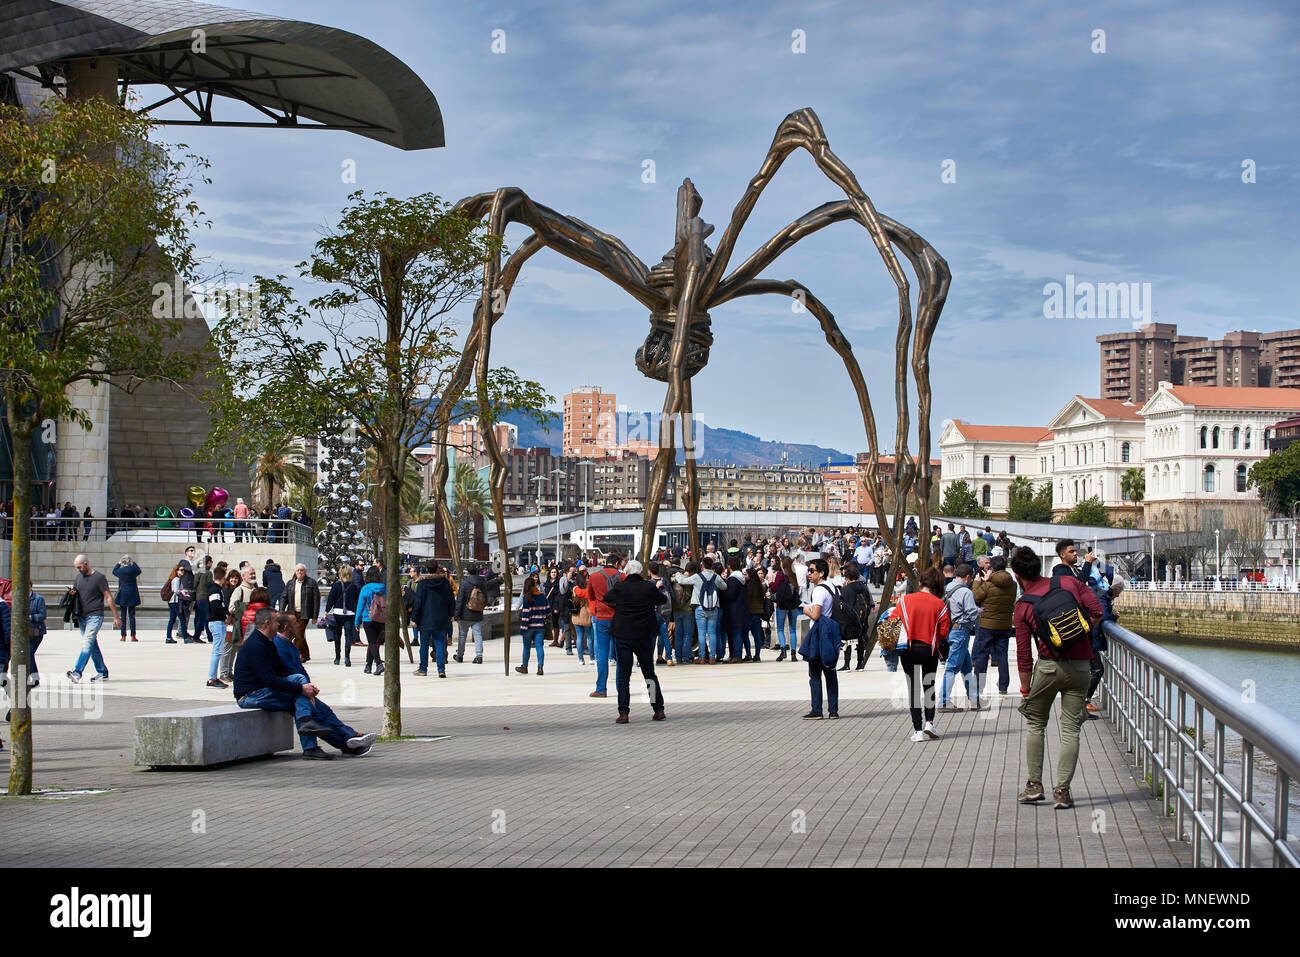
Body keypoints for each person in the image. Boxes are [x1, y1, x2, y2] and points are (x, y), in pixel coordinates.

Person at [1011, 545, 1103, 810]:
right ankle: (1062, 791)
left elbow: (1023, 653)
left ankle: (1034, 786)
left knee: (1036, 723)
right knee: (1071, 729)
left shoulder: (1023, 605)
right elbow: (1096, 611)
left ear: (1017, 575)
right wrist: (1081, 635)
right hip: (1081, 667)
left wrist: (1026, 688)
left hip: (1049, 667)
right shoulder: (1068, 581)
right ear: (1039, 567)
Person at [232, 606, 373, 760]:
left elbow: (283, 671)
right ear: (267, 623)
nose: (278, 625)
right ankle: (333, 740)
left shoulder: (268, 642)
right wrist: (301, 687)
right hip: (249, 695)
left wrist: (307, 689)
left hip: (263, 691)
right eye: (275, 621)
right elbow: (271, 680)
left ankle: (330, 744)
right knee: (302, 691)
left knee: (312, 706)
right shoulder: (256, 646)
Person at [887, 566, 950, 742]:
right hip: (929, 649)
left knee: (913, 689)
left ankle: (917, 730)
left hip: (908, 649)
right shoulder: (939, 604)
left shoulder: (905, 600)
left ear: (921, 582)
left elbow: (893, 622)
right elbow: (944, 631)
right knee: (928, 686)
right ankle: (930, 722)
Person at [602, 559, 668, 723]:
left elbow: (606, 597)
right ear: (640, 572)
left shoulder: (620, 587)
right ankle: (658, 709)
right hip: (644, 635)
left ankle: (623, 712)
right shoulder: (648, 587)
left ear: (626, 572)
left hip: (623, 634)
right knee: (649, 673)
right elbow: (662, 600)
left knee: (624, 675)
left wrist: (619, 605)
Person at [797, 558, 842, 720]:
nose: (809, 573)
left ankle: (816, 710)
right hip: (831, 633)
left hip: (819, 634)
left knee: (815, 673)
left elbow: (816, 614)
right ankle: (833, 710)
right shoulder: (833, 588)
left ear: (821, 573)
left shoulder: (819, 590)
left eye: (812, 571)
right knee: (830, 672)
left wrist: (805, 609)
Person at [65, 555, 120, 683]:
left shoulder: (99, 578)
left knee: (87, 642)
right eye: (76, 568)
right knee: (91, 644)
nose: (78, 570)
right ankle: (102, 671)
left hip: (95, 615)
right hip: (82, 616)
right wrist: (72, 593)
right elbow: (77, 594)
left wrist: (116, 616)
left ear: (86, 564)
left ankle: (77, 672)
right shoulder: (78, 578)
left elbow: (108, 597)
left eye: (79, 567)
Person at [972, 554, 1015, 698]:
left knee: (983, 655)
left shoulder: (988, 585)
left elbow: (976, 597)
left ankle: (978, 686)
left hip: (987, 624)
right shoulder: (1012, 584)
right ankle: (1003, 686)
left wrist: (978, 582)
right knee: (1002, 655)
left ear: (992, 568)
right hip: (1005, 624)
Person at [940, 563, 981, 712]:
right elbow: (971, 613)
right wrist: (979, 612)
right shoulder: (966, 592)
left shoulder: (947, 588)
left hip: (952, 629)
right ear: (968, 577)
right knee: (952, 667)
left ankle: (974, 699)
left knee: (966, 666)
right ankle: (944, 701)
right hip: (961, 630)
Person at [673, 556, 727, 664]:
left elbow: (682, 581)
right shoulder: (715, 577)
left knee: (701, 633)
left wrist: (678, 574)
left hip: (700, 607)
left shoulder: (697, 577)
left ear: (702, 566)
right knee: (712, 633)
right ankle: (712, 657)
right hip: (713, 608)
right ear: (712, 566)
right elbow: (725, 587)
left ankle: (702, 657)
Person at [584, 555, 624, 697]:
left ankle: (601, 688)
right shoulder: (622, 576)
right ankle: (621, 689)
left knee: (601, 653)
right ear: (617, 563)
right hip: (619, 617)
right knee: (620, 654)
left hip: (601, 616)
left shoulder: (594, 576)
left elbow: (591, 596)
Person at [411, 562, 454, 677]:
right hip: (441, 618)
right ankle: (441, 669)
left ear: (427, 569)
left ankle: (423, 668)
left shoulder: (422, 583)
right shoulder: (445, 582)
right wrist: (450, 615)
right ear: (437, 569)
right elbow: (451, 600)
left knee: (424, 644)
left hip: (425, 619)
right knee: (440, 643)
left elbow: (418, 603)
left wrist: (414, 617)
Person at [219, 564, 259, 682]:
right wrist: (247, 608)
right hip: (237, 626)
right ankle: (225, 672)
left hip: (250, 627)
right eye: (250, 574)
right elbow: (232, 608)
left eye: (254, 573)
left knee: (243, 652)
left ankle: (237, 672)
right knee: (230, 650)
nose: (253, 575)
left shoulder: (255, 590)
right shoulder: (239, 590)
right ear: (244, 576)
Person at [279, 563, 320, 662]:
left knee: (298, 633)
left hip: (304, 613)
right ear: (295, 572)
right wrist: (281, 611)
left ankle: (295, 655)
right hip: (292, 613)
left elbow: (316, 600)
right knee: (299, 634)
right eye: (298, 570)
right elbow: (284, 597)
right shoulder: (290, 583)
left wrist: (315, 616)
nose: (300, 572)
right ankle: (305, 654)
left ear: (305, 572)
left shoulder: (311, 583)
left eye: (302, 570)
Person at [839, 562, 874, 671]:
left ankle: (847, 664)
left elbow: (845, 606)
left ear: (847, 576)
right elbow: (868, 601)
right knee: (860, 640)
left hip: (851, 619)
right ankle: (860, 664)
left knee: (847, 641)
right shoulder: (863, 586)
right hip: (863, 618)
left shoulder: (847, 589)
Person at [452, 564, 487, 664]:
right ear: (477, 572)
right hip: (478, 614)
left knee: (462, 635)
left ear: (467, 572)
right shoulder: (482, 582)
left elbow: (460, 600)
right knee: (478, 635)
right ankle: (479, 656)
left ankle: (460, 655)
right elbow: (486, 598)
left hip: (465, 613)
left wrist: (456, 615)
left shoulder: (465, 583)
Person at [204, 562, 231, 688]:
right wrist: (224, 614)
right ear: (223, 576)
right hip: (216, 622)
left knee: (218, 650)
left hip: (215, 622)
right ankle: (211, 678)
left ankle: (212, 677)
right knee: (217, 651)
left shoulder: (214, 589)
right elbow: (215, 606)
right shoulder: (215, 589)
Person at [355, 567, 386, 676]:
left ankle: (378, 664)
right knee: (374, 642)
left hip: (368, 618)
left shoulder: (365, 588)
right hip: (381, 618)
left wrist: (357, 622)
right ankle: (368, 665)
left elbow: (360, 606)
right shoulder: (384, 588)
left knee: (372, 642)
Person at [516, 578, 550, 675]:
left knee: (526, 647)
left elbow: (526, 615)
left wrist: (523, 629)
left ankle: (524, 666)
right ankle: (540, 668)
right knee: (539, 646)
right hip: (541, 626)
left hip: (529, 627)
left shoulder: (527, 598)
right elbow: (548, 611)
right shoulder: (542, 596)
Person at [769, 557, 800, 662]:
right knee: (792, 630)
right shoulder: (794, 576)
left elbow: (774, 588)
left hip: (782, 605)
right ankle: (793, 654)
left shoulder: (780, 575)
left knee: (781, 629)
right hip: (793, 605)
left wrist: (770, 583)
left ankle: (783, 651)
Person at [719, 554, 748, 662]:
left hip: (733, 610)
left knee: (734, 633)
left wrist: (722, 592)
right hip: (742, 609)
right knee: (736, 633)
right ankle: (735, 655)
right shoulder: (742, 578)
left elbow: (730, 595)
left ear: (729, 566)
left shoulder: (733, 580)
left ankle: (736, 655)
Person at [111, 555, 141, 642]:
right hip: (132, 594)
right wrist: (133, 562)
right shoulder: (133, 570)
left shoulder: (120, 571)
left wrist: (118, 563)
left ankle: (123, 635)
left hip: (123, 594)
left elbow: (114, 571)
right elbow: (139, 570)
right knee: (132, 616)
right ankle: (133, 635)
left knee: (123, 616)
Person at [570, 568, 595, 664]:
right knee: (589, 637)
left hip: (576, 615)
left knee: (579, 637)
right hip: (586, 614)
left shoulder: (575, 589)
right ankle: (592, 658)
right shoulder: (588, 589)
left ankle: (580, 659)